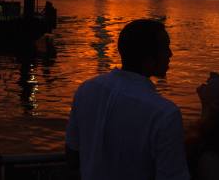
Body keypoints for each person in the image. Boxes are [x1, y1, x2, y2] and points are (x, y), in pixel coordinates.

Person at [66, 19, 190, 180]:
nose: (170, 54)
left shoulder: (86, 90)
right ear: (149, 58)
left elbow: (72, 156)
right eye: (165, 48)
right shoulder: (165, 114)